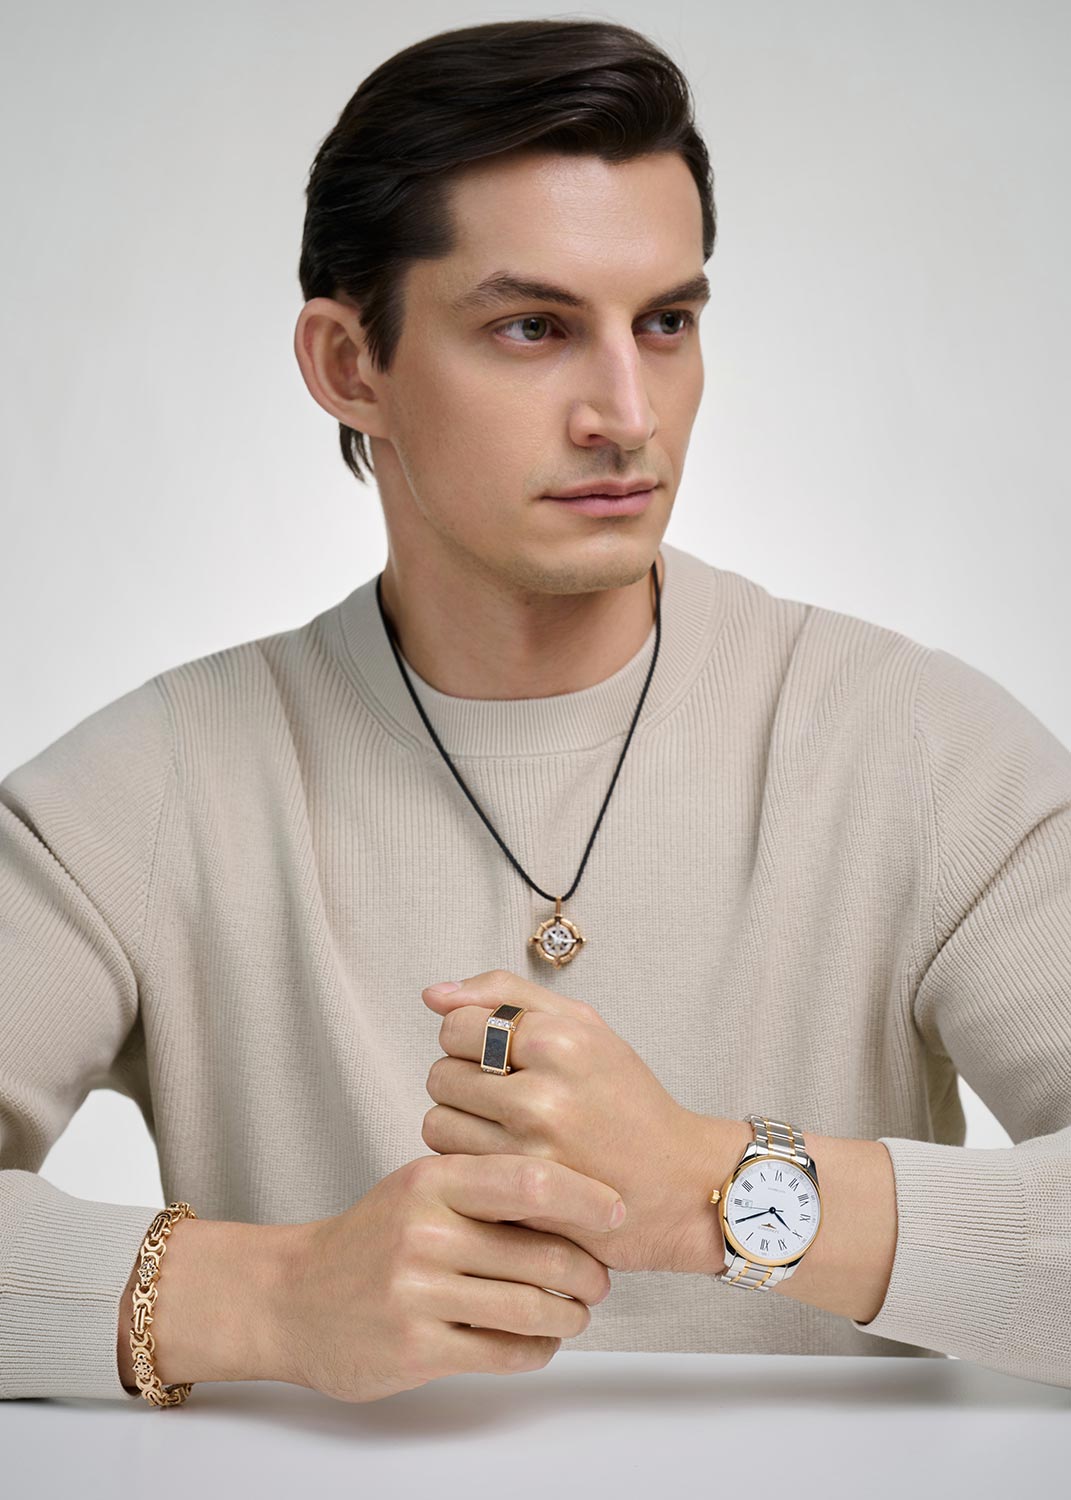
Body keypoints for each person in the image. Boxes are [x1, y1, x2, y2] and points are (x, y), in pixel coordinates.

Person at [2, 16, 1069, 1407]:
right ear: (350, 366)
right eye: (533, 328)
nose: (628, 414)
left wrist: (719, 1192)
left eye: (667, 323)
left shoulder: (919, 752)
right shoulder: (148, 793)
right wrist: (272, 1297)